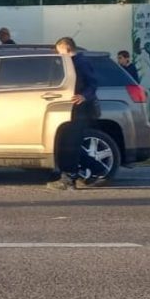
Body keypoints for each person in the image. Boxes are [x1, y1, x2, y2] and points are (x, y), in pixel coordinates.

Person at [47, 37, 99, 190]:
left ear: (66, 48)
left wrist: (84, 96)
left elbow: (92, 83)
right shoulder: (70, 62)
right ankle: (95, 172)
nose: (59, 54)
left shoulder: (80, 62)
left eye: (60, 51)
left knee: (70, 144)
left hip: (80, 109)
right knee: (71, 143)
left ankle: (68, 179)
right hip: (70, 109)